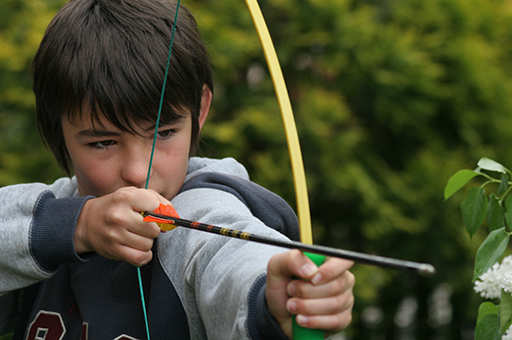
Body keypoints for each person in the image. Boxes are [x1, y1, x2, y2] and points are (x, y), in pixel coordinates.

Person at [0, 0, 355, 339]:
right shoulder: (48, 222)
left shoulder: (205, 213)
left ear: (199, 110)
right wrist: (75, 227)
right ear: (55, 128)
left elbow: (232, 256)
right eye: (103, 143)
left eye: (164, 133)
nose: (139, 173)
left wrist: (275, 301)